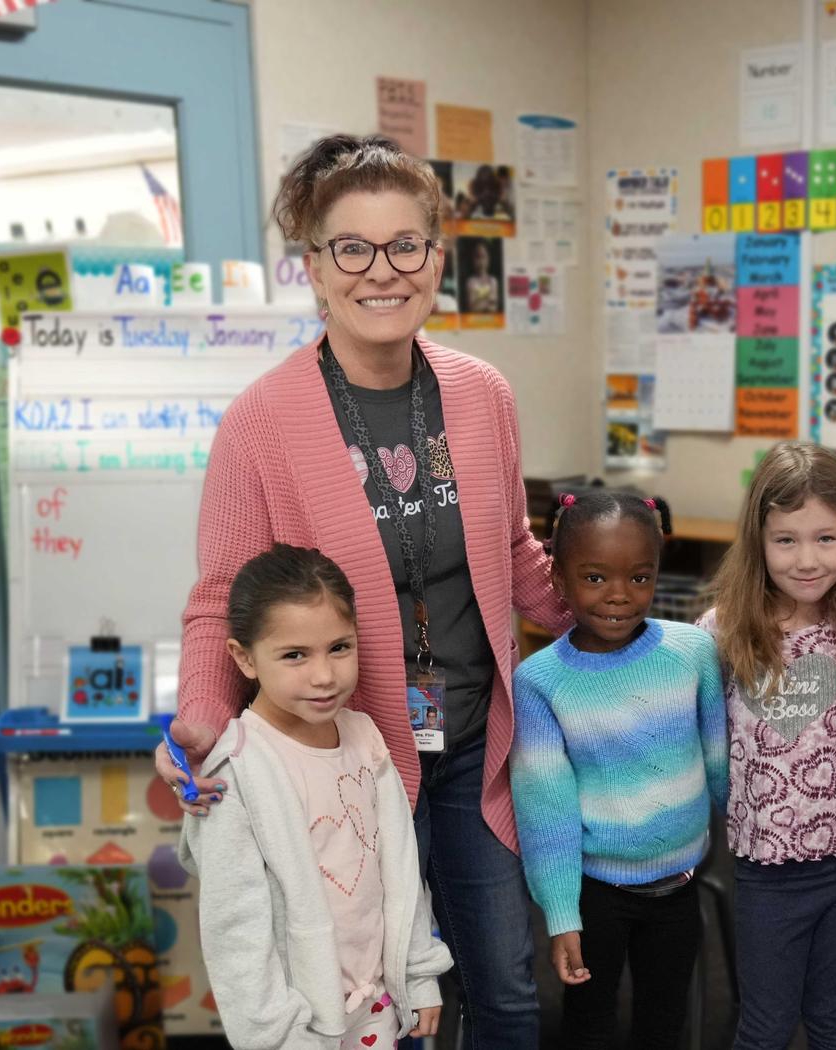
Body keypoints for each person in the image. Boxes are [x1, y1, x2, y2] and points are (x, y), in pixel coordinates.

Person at [155, 134, 571, 1049]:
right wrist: (199, 724)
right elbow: (219, 597)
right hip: (342, 762)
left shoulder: (481, 393)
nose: (381, 271)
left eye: (405, 245)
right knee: (383, 996)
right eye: (352, 248)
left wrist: (620, 619)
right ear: (314, 265)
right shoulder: (261, 421)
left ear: (436, 256)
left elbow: (511, 553)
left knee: (505, 987)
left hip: (474, 744)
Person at [179, 544, 451, 1049]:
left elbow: (400, 868)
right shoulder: (238, 768)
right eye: (295, 655)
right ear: (244, 658)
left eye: (339, 648)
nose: (324, 675)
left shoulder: (366, 738)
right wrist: (276, 1037)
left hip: (376, 1006)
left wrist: (418, 973)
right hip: (296, 1027)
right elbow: (235, 929)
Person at [510, 491, 728, 1050]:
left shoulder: (694, 652)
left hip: (680, 887)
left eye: (639, 577)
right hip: (595, 896)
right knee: (589, 1024)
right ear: (558, 577)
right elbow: (545, 810)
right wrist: (561, 914)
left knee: (663, 1021)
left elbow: (718, 760)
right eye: (595, 577)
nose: (618, 596)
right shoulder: (539, 682)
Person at [699, 442, 836, 1050]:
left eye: (825, 539)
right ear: (758, 540)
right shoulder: (721, 632)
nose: (807, 560)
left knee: (835, 1021)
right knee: (765, 1026)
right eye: (786, 540)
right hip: (767, 871)